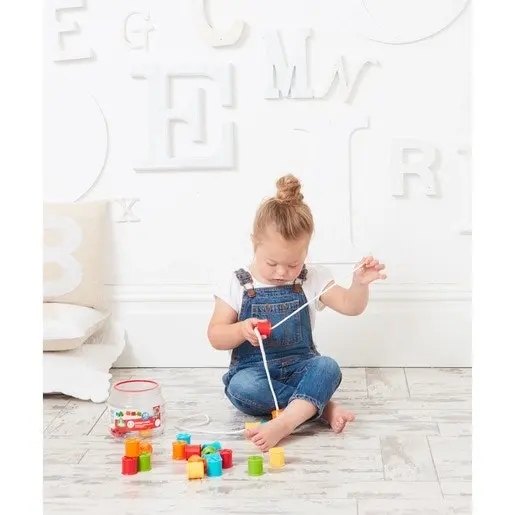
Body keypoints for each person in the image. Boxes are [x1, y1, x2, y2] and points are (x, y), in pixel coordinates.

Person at [207, 174, 386, 451]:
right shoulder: (237, 282)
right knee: (241, 388)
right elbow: (216, 335)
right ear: (254, 244)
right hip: (255, 372)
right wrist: (241, 330)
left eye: (293, 264)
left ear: (306, 251)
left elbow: (352, 306)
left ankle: (285, 422)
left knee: (327, 367)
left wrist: (359, 284)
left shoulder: (312, 278)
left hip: (301, 367)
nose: (282, 272)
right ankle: (320, 407)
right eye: (271, 263)